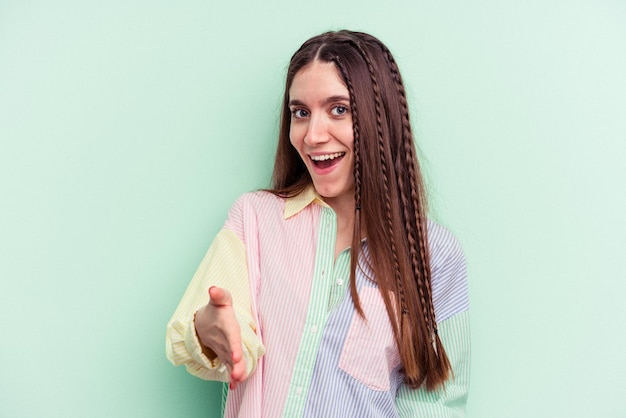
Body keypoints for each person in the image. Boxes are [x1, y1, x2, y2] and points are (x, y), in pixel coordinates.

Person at [166, 30, 469, 417]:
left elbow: (437, 402)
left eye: (339, 109)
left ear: (381, 118)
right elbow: (206, 326)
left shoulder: (434, 254)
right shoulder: (254, 219)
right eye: (300, 113)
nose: (313, 135)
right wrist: (209, 329)